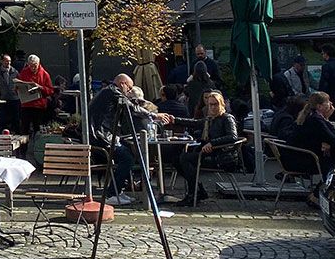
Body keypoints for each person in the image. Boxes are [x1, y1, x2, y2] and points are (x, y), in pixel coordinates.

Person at [88, 74, 174, 206]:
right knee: (127, 158)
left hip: (101, 135)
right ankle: (112, 194)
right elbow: (131, 107)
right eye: (129, 88)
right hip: (101, 136)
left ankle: (119, 189)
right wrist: (154, 115)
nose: (129, 92)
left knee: (128, 152)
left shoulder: (107, 92)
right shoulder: (113, 92)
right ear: (122, 84)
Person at [169, 90, 240, 206]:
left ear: (222, 104)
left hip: (223, 156)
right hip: (209, 153)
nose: (213, 107)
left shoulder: (227, 118)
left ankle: (193, 194)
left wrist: (212, 143)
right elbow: (194, 123)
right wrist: (175, 120)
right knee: (176, 159)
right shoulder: (209, 119)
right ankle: (198, 190)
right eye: (210, 104)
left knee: (185, 159)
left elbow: (233, 137)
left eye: (215, 104)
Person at [289, 92, 335, 193]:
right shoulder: (316, 120)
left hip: (297, 156)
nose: (331, 103)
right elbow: (334, 140)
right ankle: (321, 191)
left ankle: (321, 189)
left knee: (333, 155)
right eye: (328, 101)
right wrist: (327, 119)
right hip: (306, 160)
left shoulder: (307, 116)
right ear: (319, 106)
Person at [16, 54, 54, 135]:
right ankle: (25, 143)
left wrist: (40, 87)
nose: (33, 68)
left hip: (38, 106)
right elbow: (18, 86)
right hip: (26, 104)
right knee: (24, 129)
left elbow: (50, 90)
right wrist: (18, 88)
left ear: (38, 63)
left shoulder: (44, 74)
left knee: (38, 129)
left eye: (34, 66)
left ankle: (36, 142)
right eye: (30, 66)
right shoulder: (24, 72)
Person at [0, 54, 20, 135]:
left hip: (14, 98)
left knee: (16, 119)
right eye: (6, 61)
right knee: (1, 119)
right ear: (2, 61)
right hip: (3, 99)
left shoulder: (15, 72)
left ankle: (17, 135)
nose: (8, 63)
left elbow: (20, 84)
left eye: (10, 61)